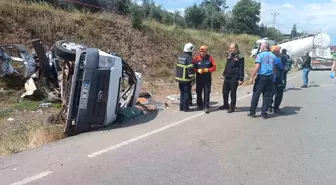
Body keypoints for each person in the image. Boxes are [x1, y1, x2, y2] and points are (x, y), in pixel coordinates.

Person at [248, 42, 279, 119]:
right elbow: (274, 68)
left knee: (256, 94)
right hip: (270, 77)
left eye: (261, 46)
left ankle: (252, 112)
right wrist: (273, 77)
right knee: (267, 95)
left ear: (263, 47)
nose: (260, 48)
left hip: (262, 77)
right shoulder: (273, 56)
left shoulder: (260, 55)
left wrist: (252, 77)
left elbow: (257, 66)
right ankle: (264, 113)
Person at [219, 43, 244, 113]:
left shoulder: (240, 57)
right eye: (230, 48)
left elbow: (241, 68)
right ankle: (225, 105)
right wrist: (223, 74)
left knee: (232, 93)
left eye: (232, 48)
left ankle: (232, 107)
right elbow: (227, 65)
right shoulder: (229, 55)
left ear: (236, 48)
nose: (230, 49)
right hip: (227, 76)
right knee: (225, 92)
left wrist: (241, 79)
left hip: (234, 77)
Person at [193, 45, 216, 114]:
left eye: (204, 51)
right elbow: (192, 68)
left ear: (206, 52)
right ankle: (199, 105)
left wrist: (208, 70)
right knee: (198, 92)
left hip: (207, 79)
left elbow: (214, 67)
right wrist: (197, 71)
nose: (202, 53)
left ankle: (206, 106)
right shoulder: (196, 58)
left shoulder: (210, 58)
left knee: (206, 92)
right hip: (199, 78)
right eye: (201, 51)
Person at [175, 43, 195, 112]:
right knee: (186, 93)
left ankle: (181, 107)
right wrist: (192, 78)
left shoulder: (181, 56)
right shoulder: (189, 57)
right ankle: (186, 108)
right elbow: (190, 69)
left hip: (180, 79)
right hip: (186, 79)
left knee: (182, 93)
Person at [269, 45, 285, 114]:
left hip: (268, 77)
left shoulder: (267, 57)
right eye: (278, 51)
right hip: (276, 78)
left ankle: (268, 107)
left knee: (270, 93)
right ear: (275, 51)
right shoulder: (276, 58)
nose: (279, 52)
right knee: (279, 93)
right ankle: (276, 108)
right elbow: (281, 67)